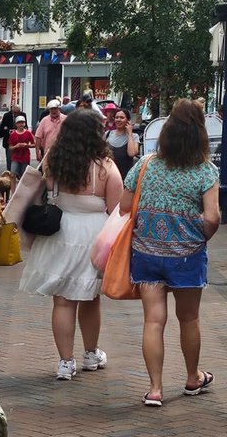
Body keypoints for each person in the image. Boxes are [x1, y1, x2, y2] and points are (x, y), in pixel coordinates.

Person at [120, 99, 220, 406]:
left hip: (147, 253)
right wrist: (199, 236)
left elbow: (124, 207)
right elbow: (213, 217)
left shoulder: (145, 164)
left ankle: (155, 389)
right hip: (187, 256)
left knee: (153, 321)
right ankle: (193, 378)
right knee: (189, 319)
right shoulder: (206, 171)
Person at [19, 109, 123, 380]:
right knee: (90, 297)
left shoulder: (55, 160)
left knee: (63, 301)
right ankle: (91, 353)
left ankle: (66, 362)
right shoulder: (105, 167)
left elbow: (46, 189)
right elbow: (116, 208)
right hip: (94, 233)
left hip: (61, 230)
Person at [106, 107, 140, 180]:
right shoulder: (107, 134)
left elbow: (131, 153)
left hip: (125, 178)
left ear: (128, 121)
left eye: (122, 117)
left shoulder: (134, 137)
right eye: (116, 117)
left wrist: (130, 133)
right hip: (108, 176)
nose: (118, 120)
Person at [8, 114, 35, 179]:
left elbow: (34, 144)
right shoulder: (13, 134)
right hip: (15, 157)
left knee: (24, 175)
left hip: (25, 157)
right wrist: (16, 146)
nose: (21, 125)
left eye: (22, 123)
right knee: (13, 173)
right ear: (16, 124)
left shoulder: (28, 133)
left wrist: (27, 145)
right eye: (19, 123)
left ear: (25, 124)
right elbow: (10, 147)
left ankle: (22, 188)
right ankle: (13, 189)